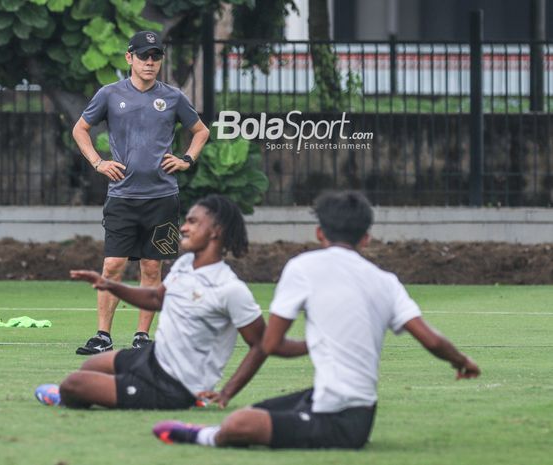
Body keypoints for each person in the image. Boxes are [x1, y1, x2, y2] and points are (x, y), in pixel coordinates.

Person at [152, 190, 481, 449]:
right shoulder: (386, 280)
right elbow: (432, 340)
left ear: (319, 232)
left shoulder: (303, 267)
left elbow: (270, 344)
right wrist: (462, 361)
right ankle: (217, 429)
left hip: (339, 421)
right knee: (251, 414)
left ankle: (203, 437)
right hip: (355, 412)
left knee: (242, 424)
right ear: (366, 237)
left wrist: (311, 343)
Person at [36, 195, 266, 410]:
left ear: (215, 231)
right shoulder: (185, 264)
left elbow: (261, 344)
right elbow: (156, 298)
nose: (183, 228)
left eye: (193, 222)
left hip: (174, 384)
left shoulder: (230, 288)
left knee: (74, 384)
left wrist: (227, 392)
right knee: (91, 366)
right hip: (154, 358)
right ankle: (124, 388)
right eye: (185, 221)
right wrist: (110, 285)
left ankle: (75, 397)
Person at [71, 30, 210, 354]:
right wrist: (97, 162)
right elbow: (80, 128)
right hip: (122, 198)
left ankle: (141, 337)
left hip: (162, 198)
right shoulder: (109, 94)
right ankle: (103, 336)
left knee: (152, 268)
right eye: (144, 55)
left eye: (156, 56)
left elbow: (200, 131)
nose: (150, 62)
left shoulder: (173, 97)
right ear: (129, 58)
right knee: (113, 266)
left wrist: (187, 158)